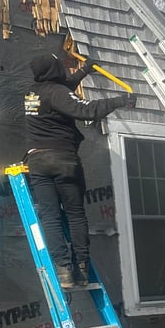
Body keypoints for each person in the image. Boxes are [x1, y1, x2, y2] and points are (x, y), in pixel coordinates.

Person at [23, 53, 136, 287]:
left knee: (50, 216)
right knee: (75, 215)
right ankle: (82, 268)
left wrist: (84, 71)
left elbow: (62, 93)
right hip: (63, 159)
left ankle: (63, 270)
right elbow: (86, 110)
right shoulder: (57, 92)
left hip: (37, 161)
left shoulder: (33, 93)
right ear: (54, 70)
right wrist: (120, 100)